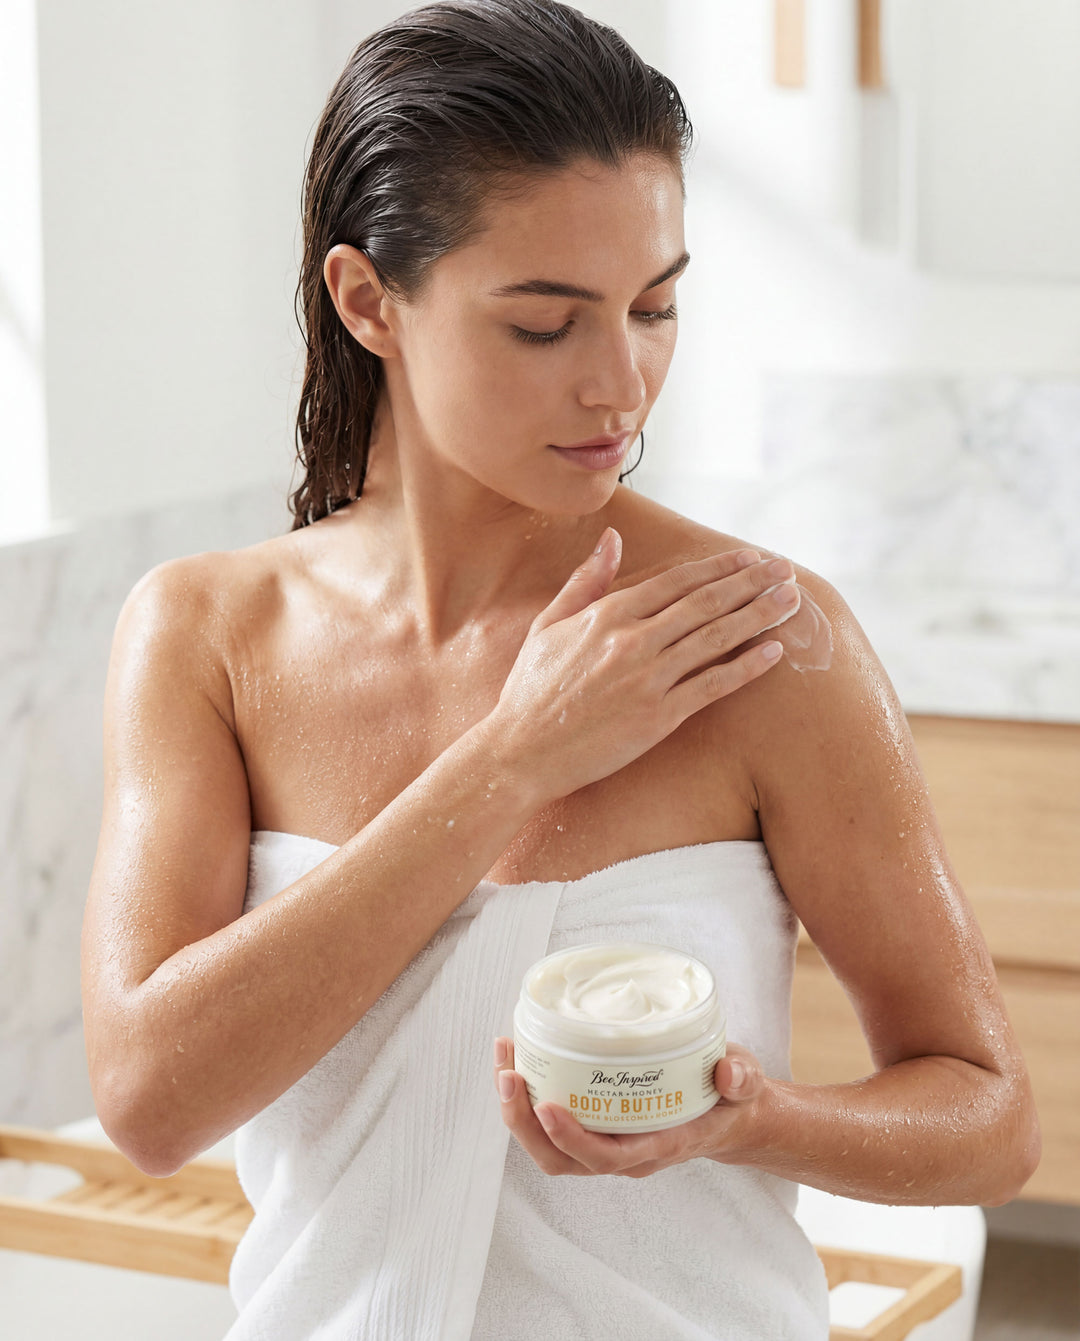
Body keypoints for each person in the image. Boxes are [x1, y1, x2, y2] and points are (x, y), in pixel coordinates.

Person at [80, 1, 1040, 1337]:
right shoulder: (205, 634)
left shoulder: (760, 640)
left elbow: (989, 1116)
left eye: (655, 307)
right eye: (546, 323)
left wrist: (753, 1120)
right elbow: (149, 1098)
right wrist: (513, 757)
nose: (622, 385)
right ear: (369, 301)